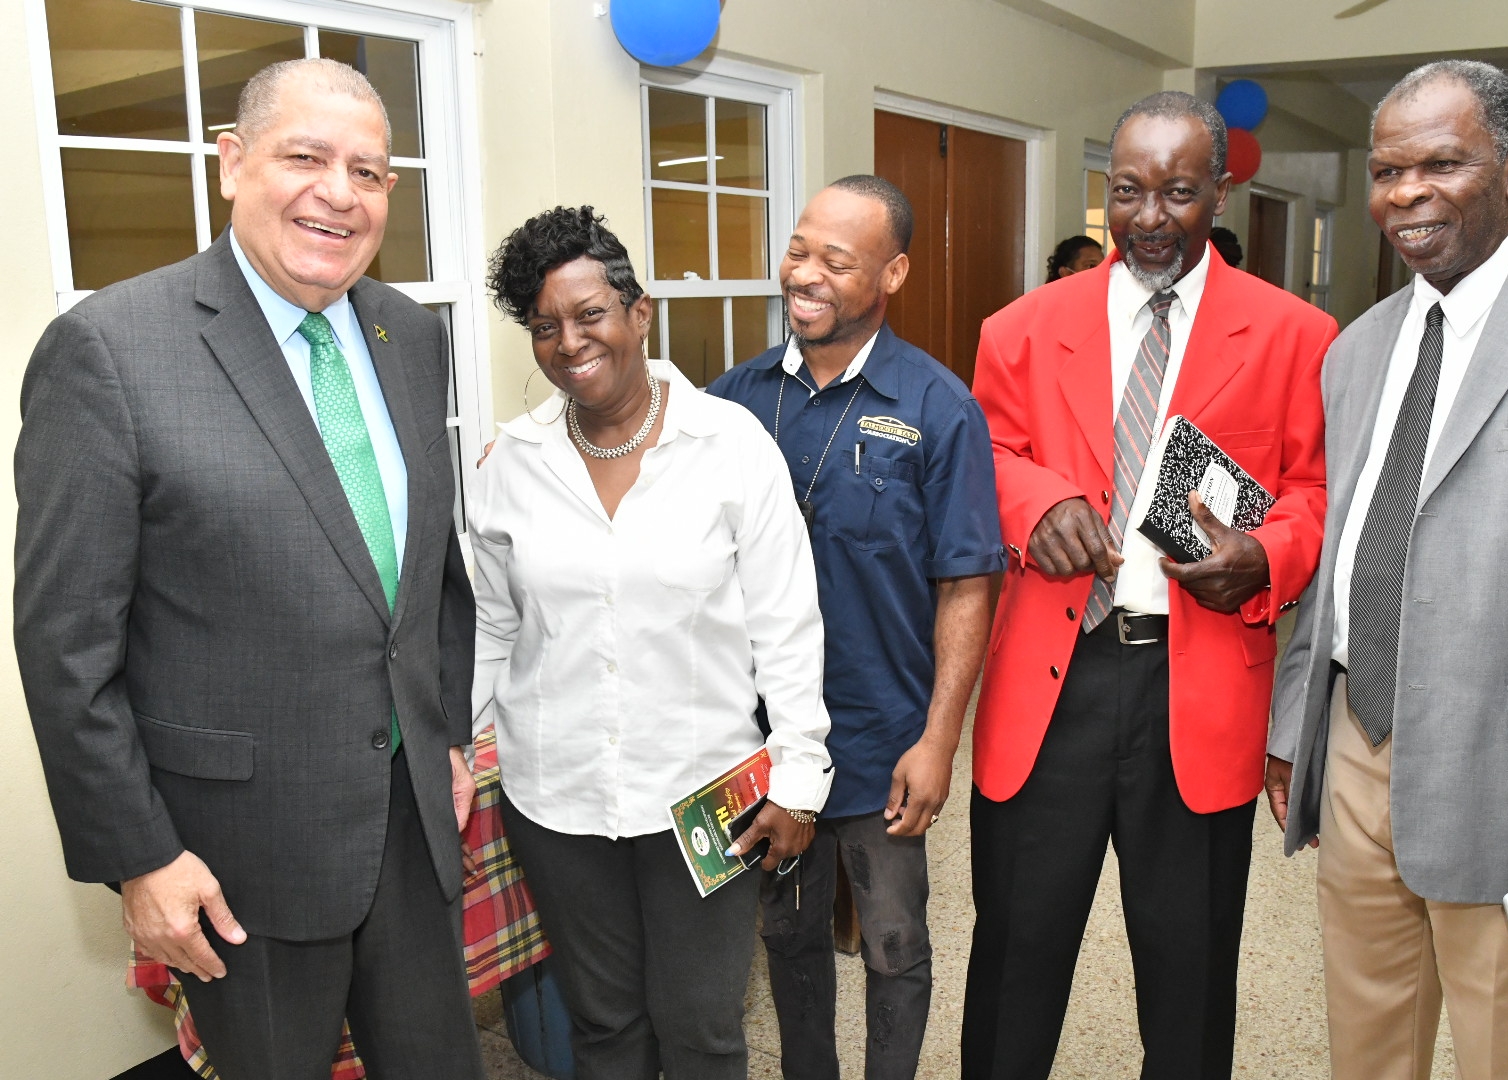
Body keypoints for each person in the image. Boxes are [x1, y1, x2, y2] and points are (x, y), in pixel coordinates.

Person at [15, 59, 483, 1078]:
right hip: (237, 855)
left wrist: (443, 735)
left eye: (368, 171)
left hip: (409, 822)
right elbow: (64, 647)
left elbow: (430, 569)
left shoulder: (412, 336)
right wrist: (141, 855)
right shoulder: (108, 351)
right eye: (305, 157)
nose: (338, 193)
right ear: (232, 164)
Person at [964, 91, 1336, 1080]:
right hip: (1053, 683)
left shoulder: (1297, 335)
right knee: (1013, 956)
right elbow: (985, 453)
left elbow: (1316, 491)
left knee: (1190, 971)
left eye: (1178, 191)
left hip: (1199, 678)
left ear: (1219, 189)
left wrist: (1269, 557)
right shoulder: (1021, 330)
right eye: (1127, 192)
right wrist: (1035, 498)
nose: (1151, 217)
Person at [1266, 60, 1508, 1080]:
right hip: (1359, 746)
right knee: (1366, 1046)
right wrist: (1301, 725)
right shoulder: (1360, 346)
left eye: (1441, 164)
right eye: (1386, 170)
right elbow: (1342, 553)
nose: (1406, 193)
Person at [471, 206, 834, 1080]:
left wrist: (800, 776)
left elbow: (786, 621)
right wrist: (457, 746)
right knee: (602, 1024)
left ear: (640, 312)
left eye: (590, 314)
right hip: (554, 795)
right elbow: (491, 622)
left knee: (702, 1026)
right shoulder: (508, 464)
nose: (569, 342)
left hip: (701, 794)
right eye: (544, 326)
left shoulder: (729, 445)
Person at [708, 176, 1004, 1080]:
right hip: (759, 742)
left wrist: (939, 738)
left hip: (883, 738)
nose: (806, 274)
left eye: (837, 260)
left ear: (893, 273)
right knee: (787, 941)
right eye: (800, 250)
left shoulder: (938, 407)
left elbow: (966, 585)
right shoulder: (733, 401)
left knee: (893, 947)